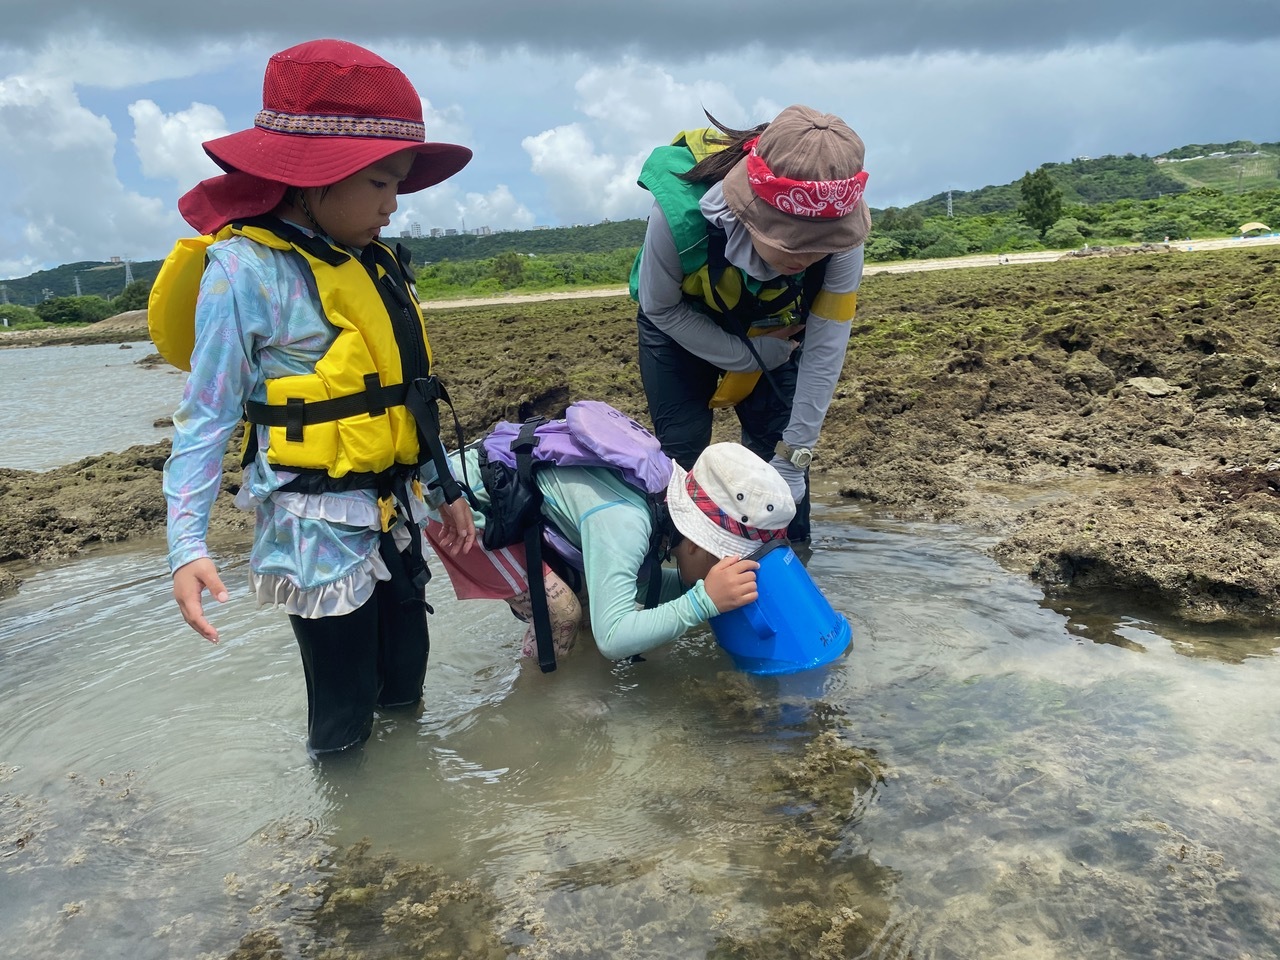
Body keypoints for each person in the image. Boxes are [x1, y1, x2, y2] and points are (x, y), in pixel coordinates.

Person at [159, 39, 477, 757]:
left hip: (394, 509)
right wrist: (186, 547)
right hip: (314, 527)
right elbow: (205, 418)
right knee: (343, 715)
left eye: (400, 185)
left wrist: (442, 484)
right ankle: (346, 850)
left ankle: (409, 821)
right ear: (314, 178)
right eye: (381, 185)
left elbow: (408, 393)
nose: (395, 208)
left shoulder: (378, 261)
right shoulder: (245, 271)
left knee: (405, 685)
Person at [631, 104, 870, 542]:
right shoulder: (677, 216)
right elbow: (661, 309)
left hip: (771, 325)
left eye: (818, 246)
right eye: (793, 244)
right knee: (682, 455)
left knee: (781, 474)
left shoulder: (842, 232)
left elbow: (825, 344)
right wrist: (749, 356)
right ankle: (682, 576)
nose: (804, 260)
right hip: (680, 321)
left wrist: (795, 456)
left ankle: (793, 566)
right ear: (748, 210)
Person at [422, 439, 796, 663]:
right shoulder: (627, 523)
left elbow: (633, 587)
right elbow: (613, 639)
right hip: (463, 512)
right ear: (698, 542)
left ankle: (567, 673)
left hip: (524, 508)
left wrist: (704, 592)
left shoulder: (660, 504)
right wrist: (702, 602)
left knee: (589, 605)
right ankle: (539, 700)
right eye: (728, 558)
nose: (731, 568)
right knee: (563, 613)